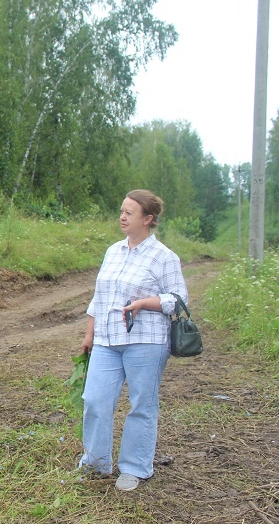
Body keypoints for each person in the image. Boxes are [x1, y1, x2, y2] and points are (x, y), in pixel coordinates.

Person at [78, 189, 188, 491]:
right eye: (122, 211)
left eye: (129, 212)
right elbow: (99, 297)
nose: (122, 217)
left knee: (142, 403)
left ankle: (135, 467)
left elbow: (178, 300)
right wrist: (90, 333)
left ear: (148, 219)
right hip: (107, 339)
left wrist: (144, 303)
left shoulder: (164, 257)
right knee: (95, 400)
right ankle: (96, 462)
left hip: (147, 341)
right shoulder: (113, 251)